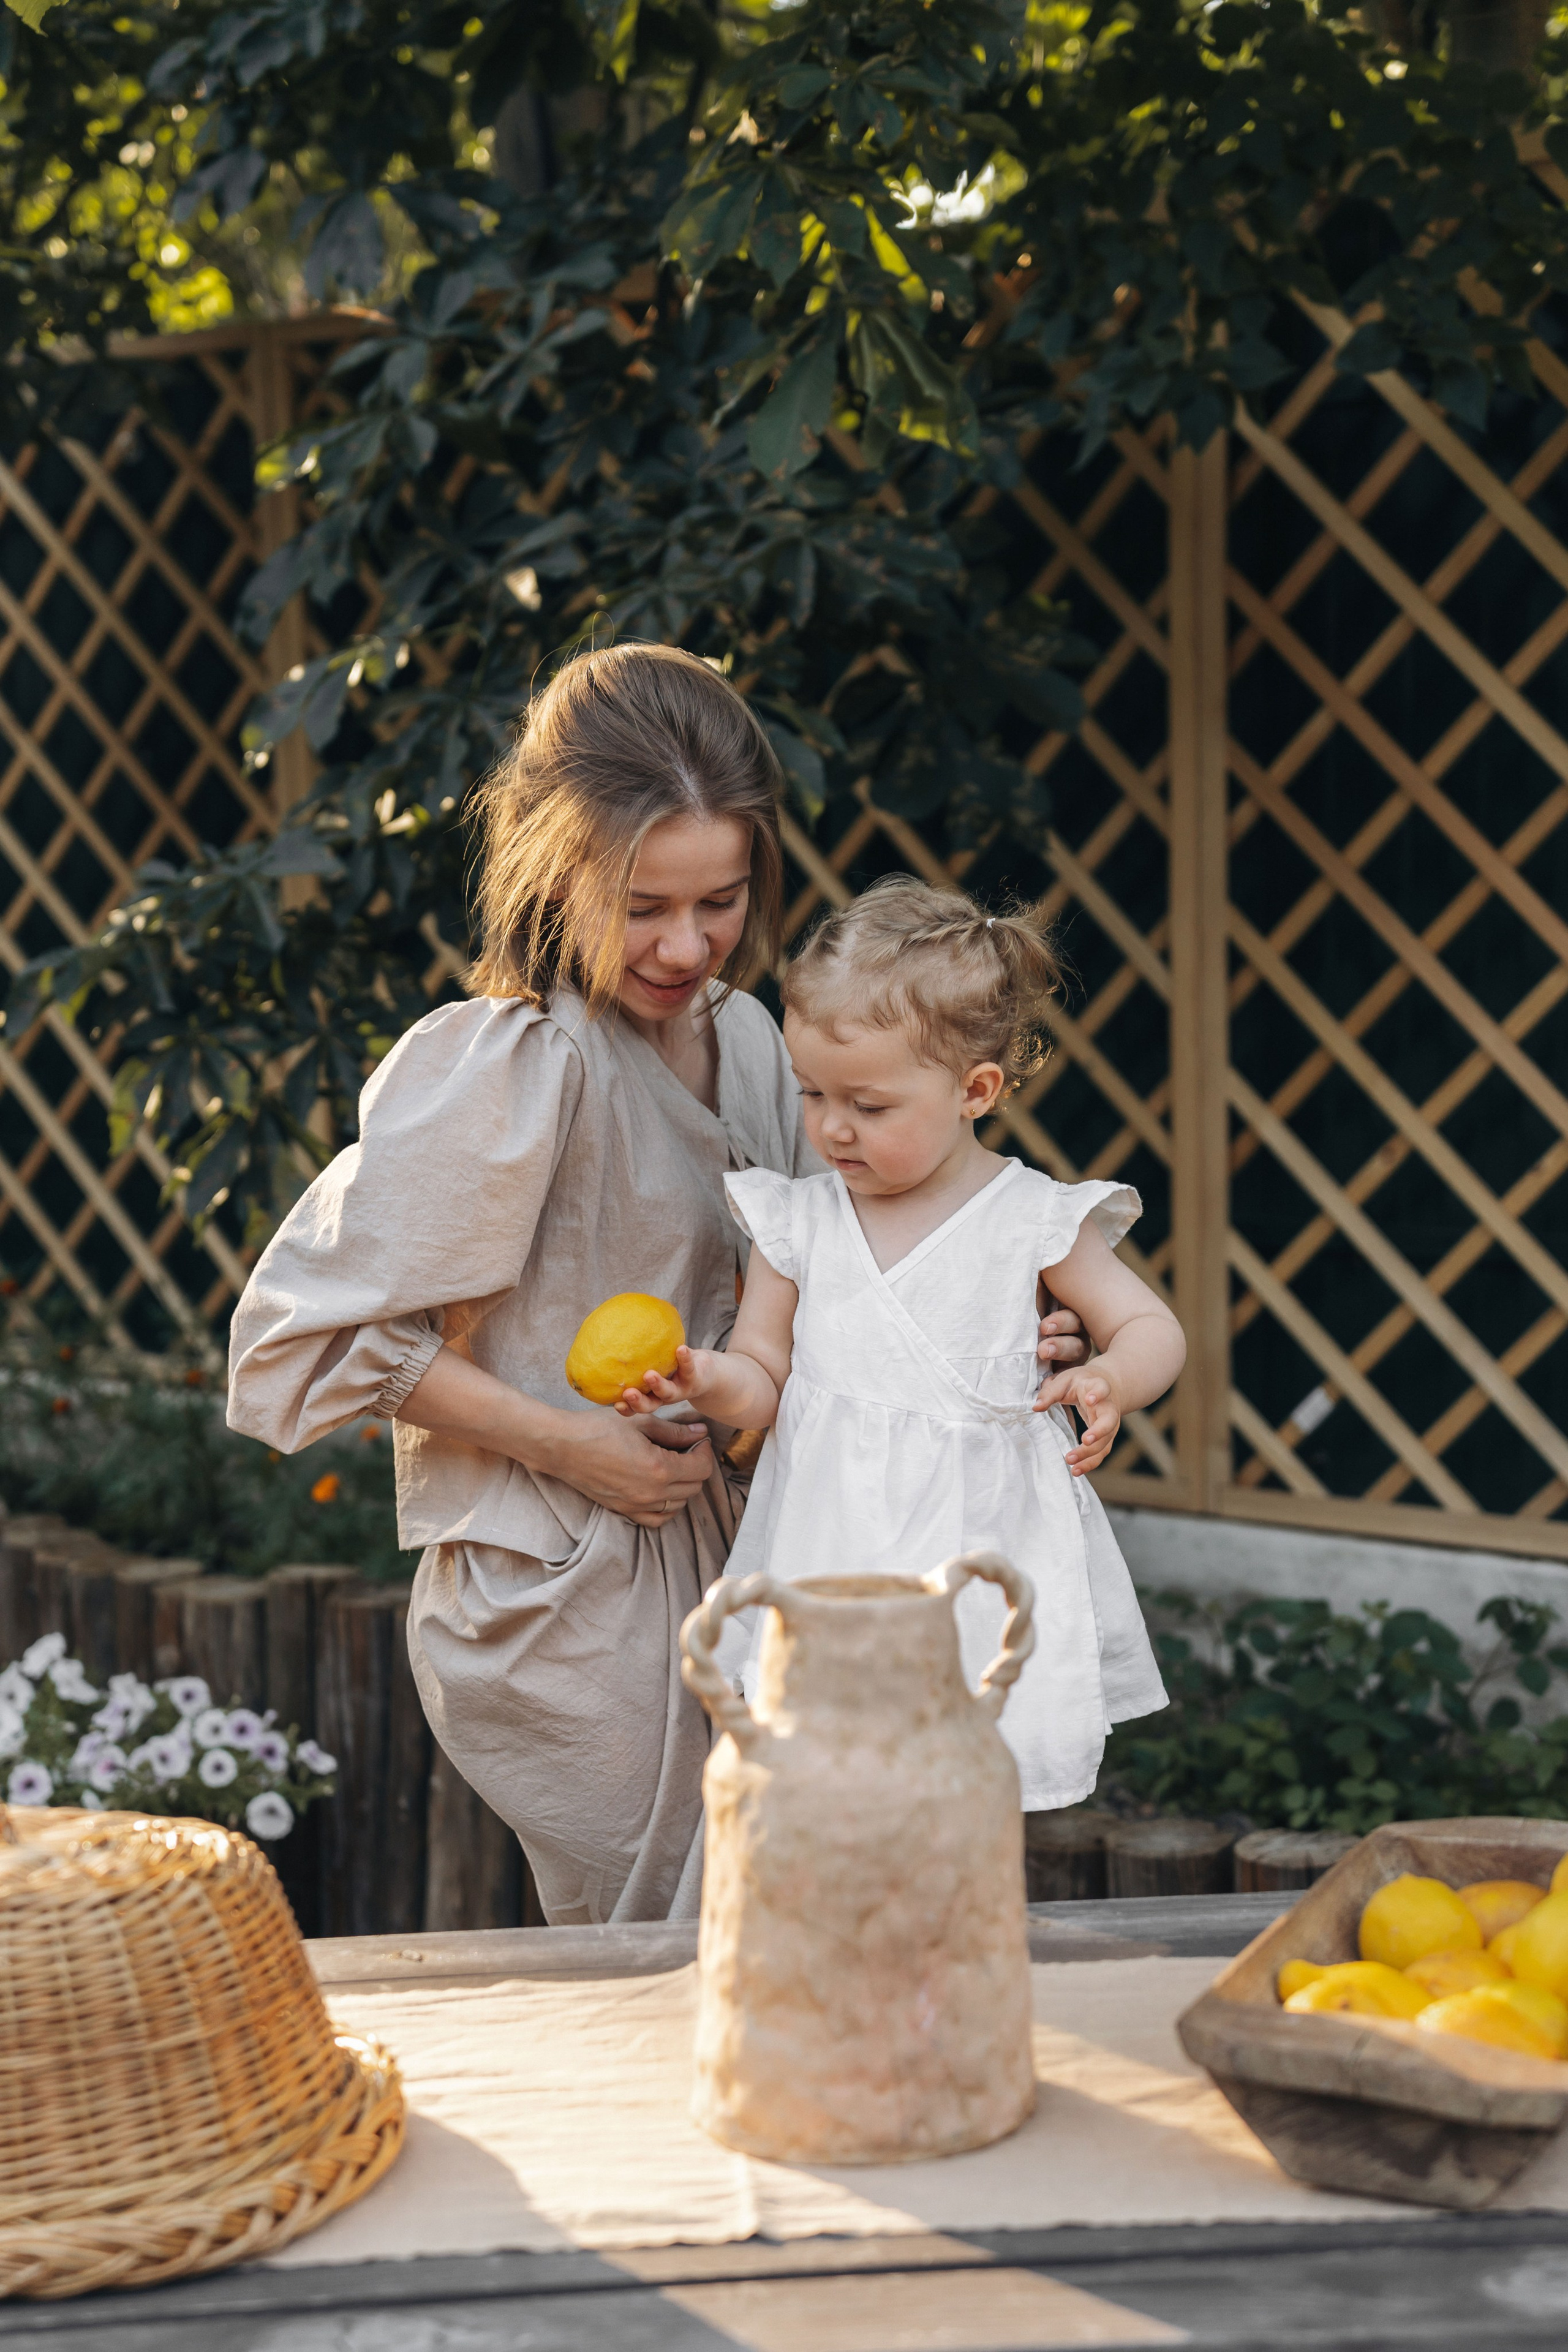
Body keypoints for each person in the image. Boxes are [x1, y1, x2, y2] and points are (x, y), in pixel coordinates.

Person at [225, 643, 1099, 1921]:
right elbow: (300, 1339)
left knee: (777, 1952)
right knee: (668, 1967)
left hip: (754, 1566)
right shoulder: (518, 1062)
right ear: (554, 870)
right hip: (569, 1600)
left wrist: (999, 1326)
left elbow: (836, 1278)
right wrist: (572, 1445)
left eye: (720, 901)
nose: (686, 945)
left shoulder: (756, 1042)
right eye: (642, 906)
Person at [617, 876, 1180, 1811]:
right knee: (828, 1787)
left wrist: (1113, 1377)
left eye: (870, 1106)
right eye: (811, 1093)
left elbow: (1153, 1327)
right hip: (833, 1544)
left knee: (963, 1785)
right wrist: (702, 1378)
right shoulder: (800, 1221)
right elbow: (764, 1378)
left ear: (974, 1091)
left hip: (978, 1552)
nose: (832, 1127)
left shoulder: (1031, 1218)